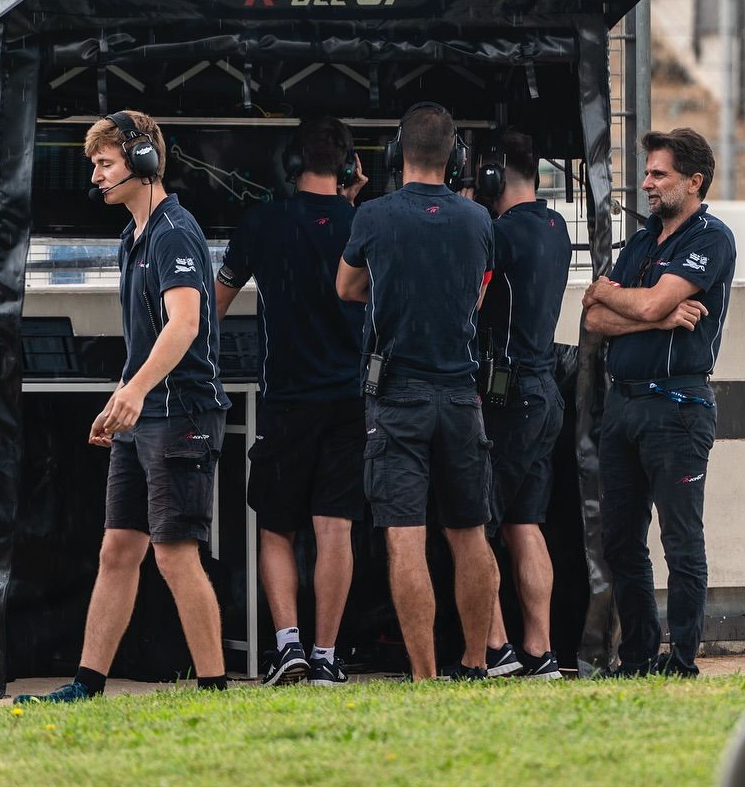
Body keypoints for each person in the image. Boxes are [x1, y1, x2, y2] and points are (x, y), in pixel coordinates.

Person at [17, 110, 231, 703]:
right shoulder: (132, 236)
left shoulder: (174, 232)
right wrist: (124, 397)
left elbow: (185, 322)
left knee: (174, 553)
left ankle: (214, 687)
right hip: (144, 416)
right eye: (94, 165)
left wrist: (134, 391)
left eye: (105, 164)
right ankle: (86, 685)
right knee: (118, 549)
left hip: (181, 413)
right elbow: (146, 336)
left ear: (142, 162)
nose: (96, 177)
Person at [336, 101, 498, 681]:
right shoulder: (479, 221)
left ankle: (425, 675)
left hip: (396, 395)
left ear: (396, 153)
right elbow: (477, 297)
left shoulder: (373, 217)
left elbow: (347, 286)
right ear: (455, 156)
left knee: (405, 538)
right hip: (460, 396)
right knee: (469, 532)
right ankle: (477, 664)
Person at [213, 116, 369, 687]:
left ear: (292, 166)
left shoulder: (263, 222)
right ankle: (327, 656)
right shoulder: (364, 224)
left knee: (276, 526)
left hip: (285, 400)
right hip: (352, 400)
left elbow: (216, 307)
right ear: (350, 167)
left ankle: (288, 648)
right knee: (335, 531)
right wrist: (353, 202)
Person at [583, 128, 734, 678]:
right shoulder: (642, 243)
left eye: (658, 174)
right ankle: (639, 655)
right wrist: (655, 312)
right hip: (622, 408)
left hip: (677, 409)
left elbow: (639, 303)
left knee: (680, 541)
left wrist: (629, 300)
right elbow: (592, 318)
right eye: (647, 173)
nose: (646, 183)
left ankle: (684, 657)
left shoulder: (710, 238)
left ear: (693, 182)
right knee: (621, 539)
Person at [471, 132, 570, 681]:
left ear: (492, 174)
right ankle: (541, 651)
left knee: (478, 522)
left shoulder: (499, 233)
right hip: (545, 390)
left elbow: (474, 298)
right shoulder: (554, 227)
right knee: (525, 523)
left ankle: (497, 647)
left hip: (507, 393)